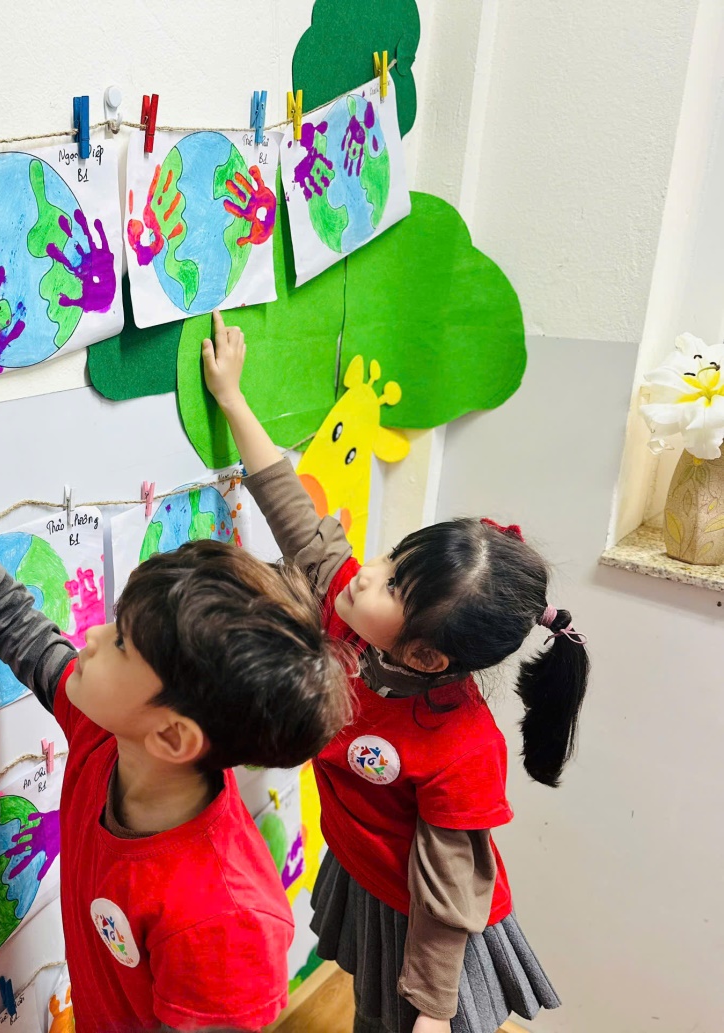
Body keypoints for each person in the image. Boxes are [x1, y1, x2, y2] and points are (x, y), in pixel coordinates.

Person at [0, 381, 352, 1032]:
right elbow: (17, 625)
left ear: (173, 736)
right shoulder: (109, 736)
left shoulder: (226, 919)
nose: (93, 635)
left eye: (123, 642)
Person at [201, 313, 588, 1033]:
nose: (366, 570)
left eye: (392, 585)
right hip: (366, 870)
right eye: (392, 558)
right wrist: (232, 398)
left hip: (428, 924)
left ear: (425, 658)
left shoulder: (461, 746)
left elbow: (448, 891)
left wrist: (435, 1012)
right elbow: (294, 515)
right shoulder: (353, 612)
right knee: (368, 1007)